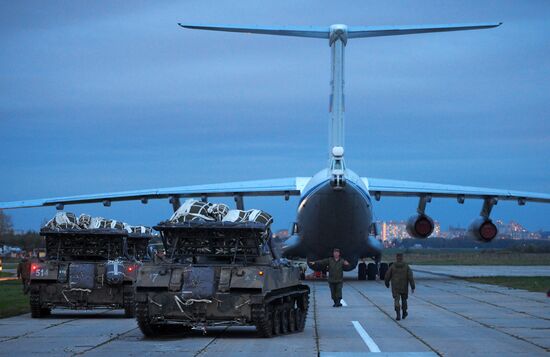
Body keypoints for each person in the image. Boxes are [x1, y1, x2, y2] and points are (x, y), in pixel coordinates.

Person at [385, 253, 415, 320]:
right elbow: (410, 277)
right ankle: (404, 312)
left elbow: (387, 276)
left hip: (395, 287)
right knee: (404, 300)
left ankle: (398, 314)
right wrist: (413, 287)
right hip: (404, 286)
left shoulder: (392, 266)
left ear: (396, 258)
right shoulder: (406, 267)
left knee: (396, 300)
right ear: (402, 258)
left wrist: (387, 283)